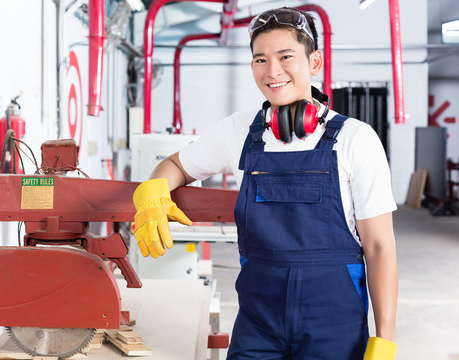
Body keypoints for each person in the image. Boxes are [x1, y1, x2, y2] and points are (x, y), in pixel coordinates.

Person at [132, 7, 398, 360]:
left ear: (314, 62)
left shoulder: (355, 139)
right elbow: (174, 166)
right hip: (258, 322)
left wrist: (385, 340)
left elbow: (380, 248)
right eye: (261, 59)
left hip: (334, 324)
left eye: (285, 56)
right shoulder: (239, 131)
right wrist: (154, 192)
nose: (272, 71)